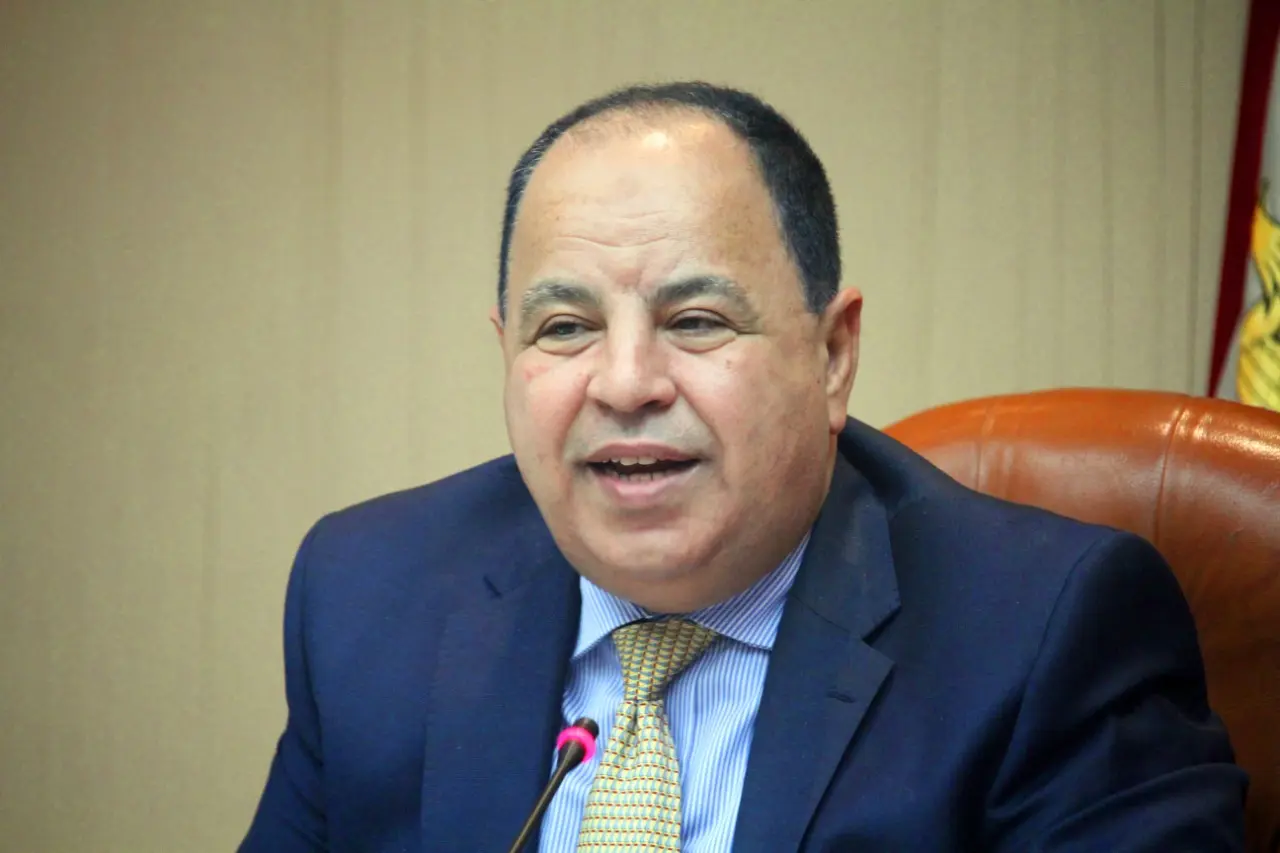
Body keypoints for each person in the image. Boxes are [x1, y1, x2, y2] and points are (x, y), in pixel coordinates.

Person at [238, 81, 1248, 852]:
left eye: (695, 320)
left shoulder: (1046, 638)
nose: (624, 382)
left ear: (832, 355)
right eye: (565, 327)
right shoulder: (367, 595)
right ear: (507, 352)